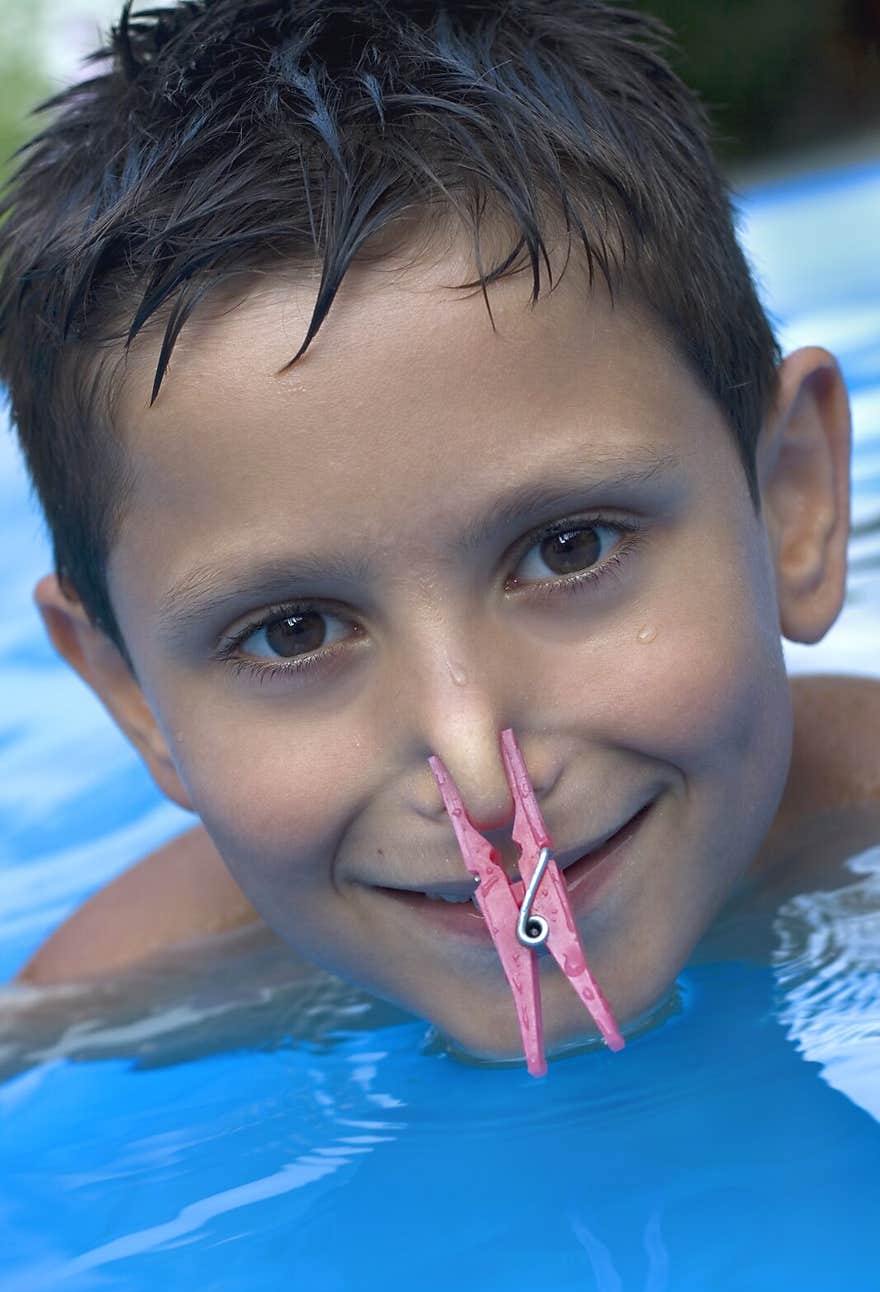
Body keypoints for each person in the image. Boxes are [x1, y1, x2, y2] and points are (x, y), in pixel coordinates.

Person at [1, 0, 877, 1066]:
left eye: (569, 548)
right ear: (131, 691)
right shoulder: (102, 1001)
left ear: (792, 505)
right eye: (292, 630)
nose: (473, 773)